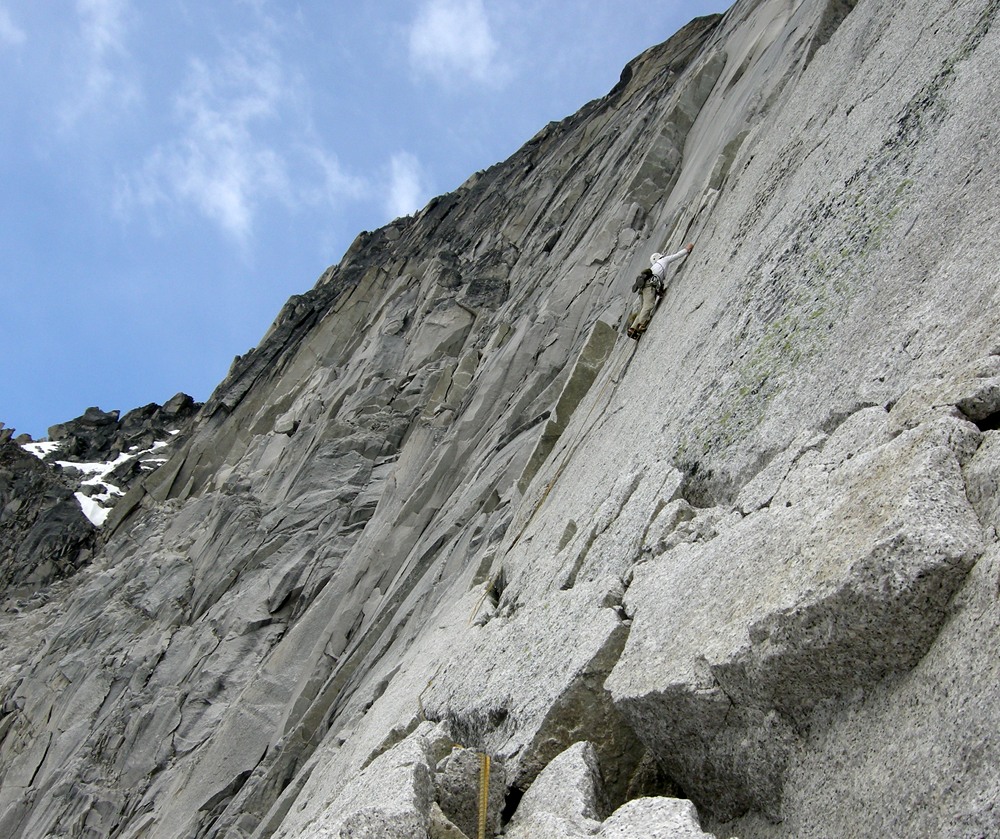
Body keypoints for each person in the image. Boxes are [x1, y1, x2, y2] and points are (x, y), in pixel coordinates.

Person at [626, 243, 694, 340]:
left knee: (643, 309)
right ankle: (641, 324)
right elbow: (676, 256)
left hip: (643, 288)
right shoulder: (663, 260)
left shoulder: (654, 268)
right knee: (648, 306)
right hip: (649, 287)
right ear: (659, 257)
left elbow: (658, 283)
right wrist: (687, 249)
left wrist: (660, 292)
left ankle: (633, 328)